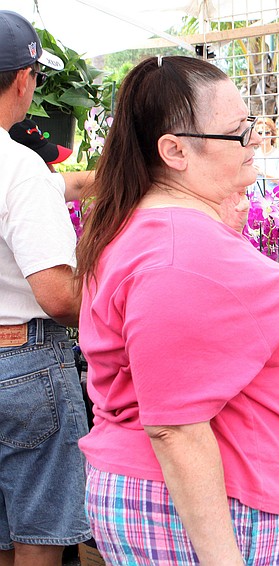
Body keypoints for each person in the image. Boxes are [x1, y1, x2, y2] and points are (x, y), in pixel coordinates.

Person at [75, 56, 279, 564]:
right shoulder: (174, 258)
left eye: (251, 124)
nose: (255, 139)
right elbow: (175, 427)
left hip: (244, 505)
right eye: (239, 132)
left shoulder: (162, 235)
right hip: (234, 514)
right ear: (176, 151)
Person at [0, 10, 92, 566]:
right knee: (40, 534)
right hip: (23, 364)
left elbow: (65, 185)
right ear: (23, 79)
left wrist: (121, 175)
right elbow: (58, 296)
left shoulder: (25, 174)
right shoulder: (19, 168)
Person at [253, 116, 279, 184]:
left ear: (272, 134)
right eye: (260, 133)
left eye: (267, 133)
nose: (264, 136)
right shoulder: (253, 155)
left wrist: (263, 173)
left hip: (274, 193)